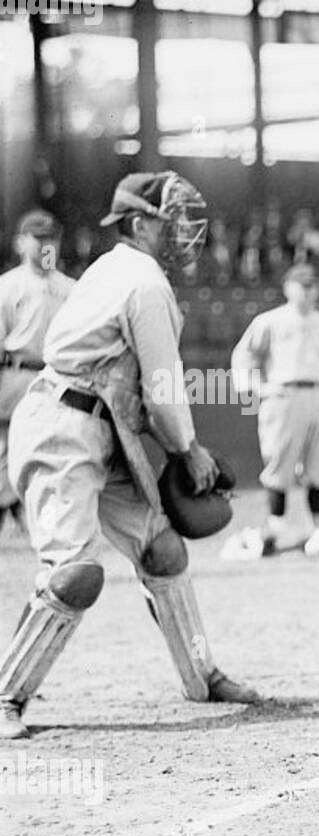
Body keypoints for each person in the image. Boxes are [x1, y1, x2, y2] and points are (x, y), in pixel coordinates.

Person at [0, 171, 261, 740]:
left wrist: (179, 445)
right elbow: (163, 387)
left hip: (100, 424)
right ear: (140, 224)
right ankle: (7, 695)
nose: (186, 231)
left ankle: (202, 677)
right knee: (74, 575)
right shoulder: (144, 282)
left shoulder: (115, 270)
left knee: (162, 551)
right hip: (62, 426)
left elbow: (134, 389)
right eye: (174, 219)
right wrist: (187, 451)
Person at [231, 263, 319, 556]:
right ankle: (277, 527)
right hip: (285, 394)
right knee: (279, 461)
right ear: (288, 287)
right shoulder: (269, 321)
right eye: (302, 285)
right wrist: (256, 388)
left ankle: (318, 529)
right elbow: (243, 356)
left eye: (312, 285)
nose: (308, 291)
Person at [0, 210, 75, 536]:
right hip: (15, 376)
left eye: (51, 238)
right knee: (5, 455)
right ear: (21, 242)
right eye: (39, 238)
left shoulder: (70, 288)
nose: (47, 244)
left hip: (55, 380)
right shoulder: (8, 285)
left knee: (51, 458)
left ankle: (39, 525)